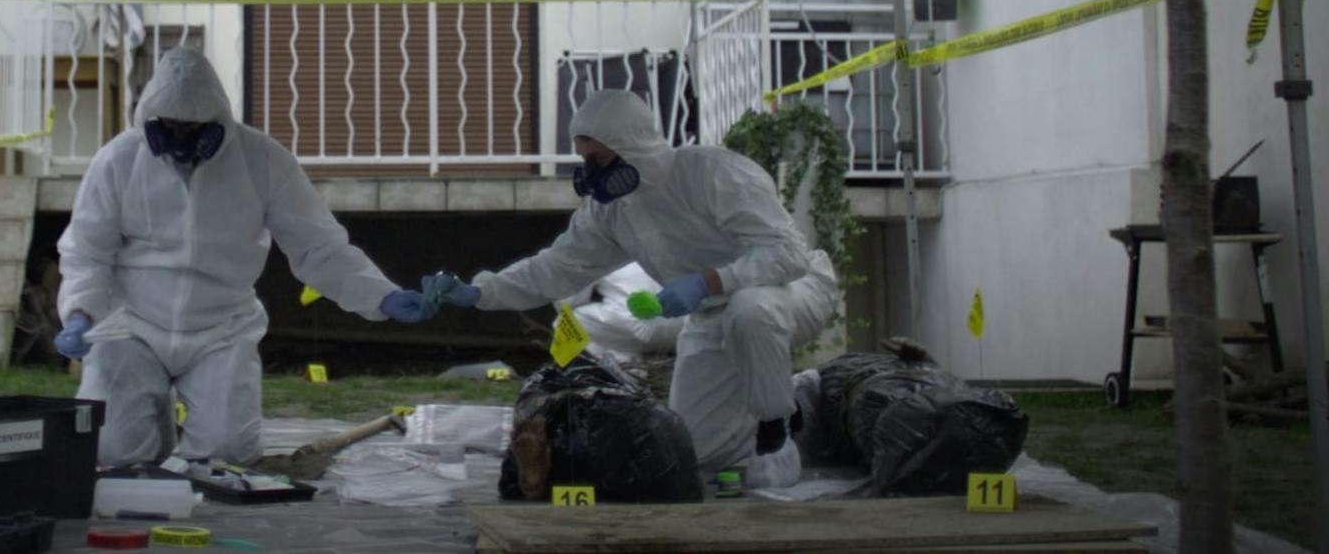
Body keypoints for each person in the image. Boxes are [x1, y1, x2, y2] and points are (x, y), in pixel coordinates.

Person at [422, 90, 838, 485]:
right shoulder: (612, 211)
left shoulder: (712, 172)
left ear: (632, 145)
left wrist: (710, 280)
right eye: (584, 159)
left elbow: (789, 254)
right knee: (690, 453)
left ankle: (776, 426)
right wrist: (479, 292)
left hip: (792, 289)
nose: (590, 171)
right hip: (712, 313)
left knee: (751, 310)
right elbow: (554, 269)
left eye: (598, 157)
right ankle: (801, 397)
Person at [56, 47, 434, 467]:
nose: (181, 140)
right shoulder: (119, 159)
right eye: (170, 128)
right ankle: (150, 427)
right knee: (110, 451)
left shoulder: (263, 161)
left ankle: (163, 427)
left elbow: (318, 246)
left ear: (218, 121)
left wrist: (380, 295)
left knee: (228, 455)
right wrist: (80, 311)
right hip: (131, 326)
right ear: (151, 120)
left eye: (193, 128)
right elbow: (87, 251)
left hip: (221, 329)